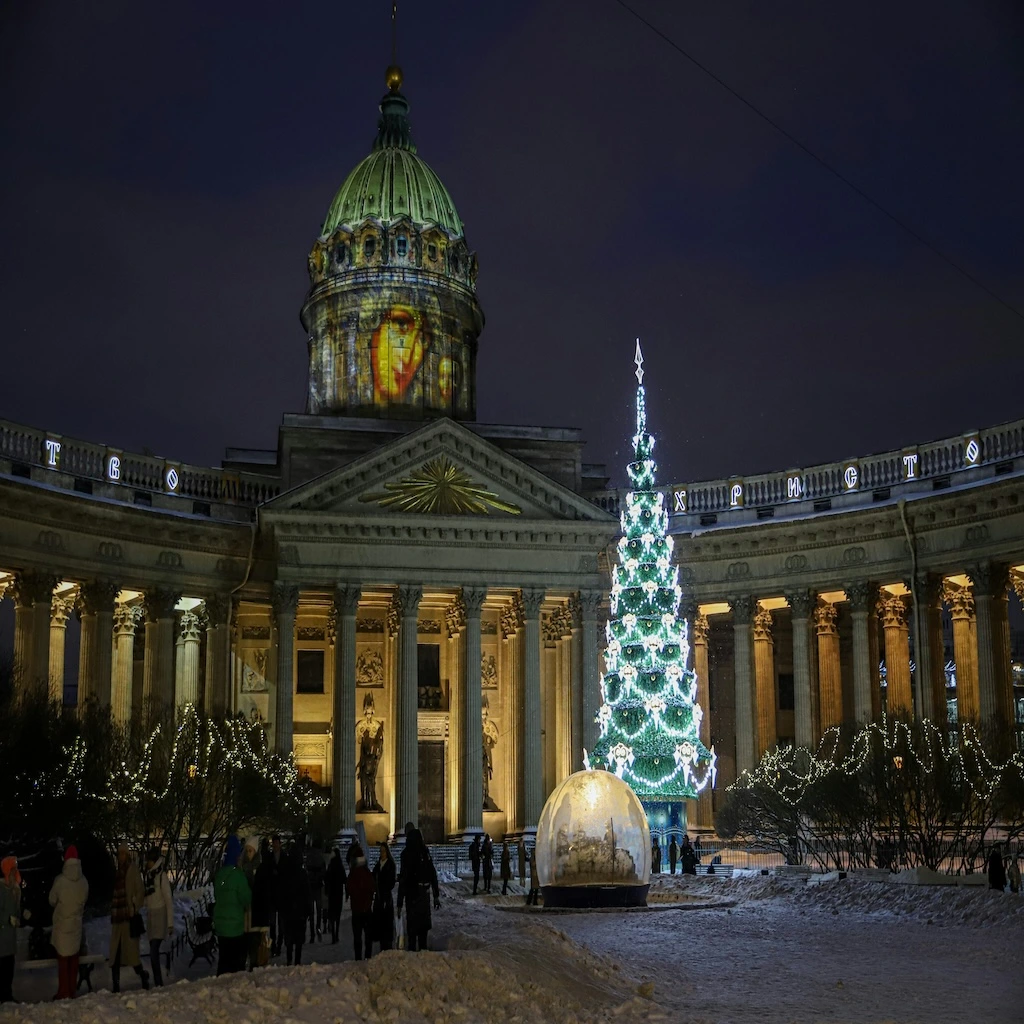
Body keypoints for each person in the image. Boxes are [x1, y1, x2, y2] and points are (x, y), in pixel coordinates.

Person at [48, 845, 88, 1000]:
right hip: (76, 925)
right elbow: (84, 899)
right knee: (73, 961)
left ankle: (63, 992)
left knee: (63, 962)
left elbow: (52, 900)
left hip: (62, 926)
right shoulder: (84, 881)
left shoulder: (60, 881)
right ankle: (71, 990)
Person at [109, 843, 149, 993]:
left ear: (127, 854)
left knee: (132, 955)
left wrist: (134, 906)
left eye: (122, 854)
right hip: (118, 917)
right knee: (115, 955)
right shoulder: (118, 871)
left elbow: (140, 891)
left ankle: (142, 975)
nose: (120, 857)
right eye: (119, 854)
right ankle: (116, 986)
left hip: (128, 917)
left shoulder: (132, 870)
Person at [213, 835, 251, 976]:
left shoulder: (220, 874)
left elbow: (217, 896)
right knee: (235, 962)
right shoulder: (238, 876)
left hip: (221, 924)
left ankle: (220, 986)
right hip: (235, 925)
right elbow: (246, 898)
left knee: (223, 960)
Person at [397, 825, 439, 952]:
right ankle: (421, 954)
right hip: (421, 895)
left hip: (413, 896)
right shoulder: (423, 852)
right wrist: (436, 895)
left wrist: (399, 903)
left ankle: (415, 955)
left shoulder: (411, 853)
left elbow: (403, 879)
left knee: (414, 932)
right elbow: (432, 874)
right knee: (420, 931)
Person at [142, 847, 174, 987]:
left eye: (148, 860)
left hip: (159, 916)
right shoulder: (150, 876)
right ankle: (157, 982)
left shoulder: (161, 876)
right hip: (151, 915)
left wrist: (170, 923)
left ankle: (158, 982)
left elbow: (168, 899)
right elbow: (148, 898)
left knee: (154, 950)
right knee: (153, 950)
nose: (146, 863)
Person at [279, 846, 311, 966]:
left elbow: (281, 892)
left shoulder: (285, 873)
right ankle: (297, 960)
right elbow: (307, 893)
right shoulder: (302, 874)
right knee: (298, 938)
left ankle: (289, 958)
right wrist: (308, 910)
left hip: (288, 910)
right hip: (300, 911)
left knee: (289, 936)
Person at [1, 856, 25, 1003]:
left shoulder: (15, 889)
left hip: (10, 937)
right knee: (3, 968)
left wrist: (20, 917)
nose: (15, 871)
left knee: (9, 968)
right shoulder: (2, 890)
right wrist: (7, 920)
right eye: (13, 868)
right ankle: (4, 996)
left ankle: (7, 995)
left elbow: (15, 911)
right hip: (2, 936)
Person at [346, 846, 375, 960]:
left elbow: (349, 888)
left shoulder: (353, 873)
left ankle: (358, 957)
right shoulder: (367, 872)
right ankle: (368, 956)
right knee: (368, 936)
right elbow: (372, 887)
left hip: (357, 909)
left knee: (357, 937)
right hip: (366, 908)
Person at [249, 844, 274, 970]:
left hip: (255, 911)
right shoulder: (265, 871)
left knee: (256, 939)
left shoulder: (257, 872)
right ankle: (259, 961)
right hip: (261, 911)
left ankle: (255, 962)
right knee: (259, 938)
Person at [372, 842, 396, 952]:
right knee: (380, 922)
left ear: (387, 852)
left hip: (386, 897)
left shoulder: (390, 865)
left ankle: (388, 945)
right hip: (379, 898)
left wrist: (383, 886)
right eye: (380, 851)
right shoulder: (378, 865)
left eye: (383, 851)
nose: (381, 853)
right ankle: (382, 944)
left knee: (387, 922)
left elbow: (391, 882)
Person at [305, 840, 327, 942]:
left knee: (311, 912)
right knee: (318, 910)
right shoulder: (320, 858)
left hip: (310, 887)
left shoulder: (309, 857)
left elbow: (306, 870)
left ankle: (312, 934)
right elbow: (324, 872)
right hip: (318, 886)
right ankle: (318, 928)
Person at [325, 846, 347, 944]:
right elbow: (344, 879)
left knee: (332, 914)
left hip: (331, 892)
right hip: (338, 892)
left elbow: (326, 878)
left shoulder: (330, 866)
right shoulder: (340, 866)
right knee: (337, 914)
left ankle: (333, 934)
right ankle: (336, 934)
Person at [268, 834, 284, 956]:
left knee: (281, 923)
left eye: (276, 843)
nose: (275, 845)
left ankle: (278, 944)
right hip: (273, 894)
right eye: (274, 843)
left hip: (280, 894)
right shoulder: (269, 858)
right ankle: (273, 945)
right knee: (273, 923)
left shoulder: (284, 857)